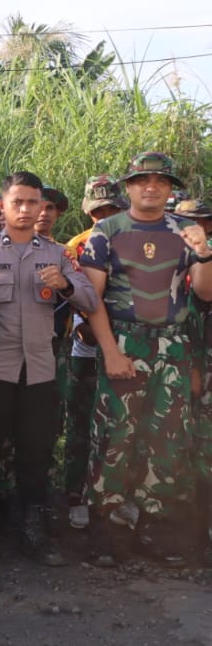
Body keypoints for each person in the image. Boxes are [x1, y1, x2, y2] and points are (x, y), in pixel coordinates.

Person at [0, 172, 97, 567]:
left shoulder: (58, 254)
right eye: (18, 202)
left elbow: (90, 300)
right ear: (2, 206)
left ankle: (33, 528)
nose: (27, 209)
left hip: (40, 371)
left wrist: (65, 284)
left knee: (36, 451)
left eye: (34, 202)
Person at [77, 152, 212, 567]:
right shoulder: (107, 231)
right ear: (129, 187)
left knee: (168, 438)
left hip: (173, 345)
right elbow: (91, 300)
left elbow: (205, 293)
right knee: (114, 436)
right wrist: (111, 351)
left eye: (160, 180)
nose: (151, 186)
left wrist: (204, 251)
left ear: (170, 189)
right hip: (125, 342)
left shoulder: (184, 230)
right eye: (142, 180)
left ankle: (158, 528)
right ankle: (107, 531)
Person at [60, 175, 128, 531]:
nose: (104, 217)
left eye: (111, 209)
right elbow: (72, 294)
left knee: (122, 424)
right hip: (86, 350)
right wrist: (80, 323)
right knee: (80, 423)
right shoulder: (76, 245)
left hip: (128, 347)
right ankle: (76, 494)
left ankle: (119, 496)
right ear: (88, 212)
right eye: (98, 211)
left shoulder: (135, 239)